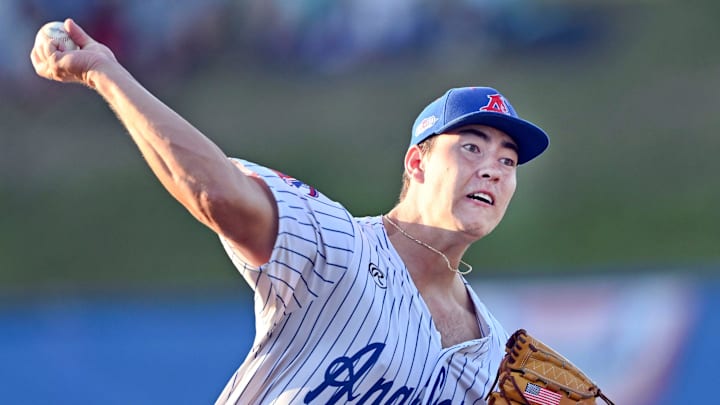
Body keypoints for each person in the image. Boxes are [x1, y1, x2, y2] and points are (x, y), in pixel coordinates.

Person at [31, 19, 549, 405]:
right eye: (472, 148)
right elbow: (218, 193)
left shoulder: (494, 357)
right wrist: (104, 73)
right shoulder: (338, 248)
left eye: (508, 161)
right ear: (417, 162)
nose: (493, 170)